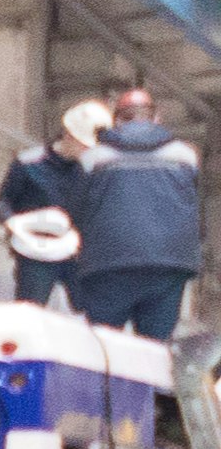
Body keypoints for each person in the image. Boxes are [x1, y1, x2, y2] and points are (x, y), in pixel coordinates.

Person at [77, 77, 203, 350]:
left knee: (103, 350)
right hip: (168, 264)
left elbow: (76, 207)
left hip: (108, 264)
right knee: (156, 350)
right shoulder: (185, 156)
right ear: (156, 117)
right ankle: (153, 393)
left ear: (117, 120)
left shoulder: (93, 159)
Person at [0, 96, 107, 301]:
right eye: (85, 146)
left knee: (94, 314)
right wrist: (13, 222)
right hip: (35, 253)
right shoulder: (29, 163)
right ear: (69, 136)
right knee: (29, 313)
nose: (89, 152)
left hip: (76, 253)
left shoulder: (91, 171)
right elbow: (2, 204)